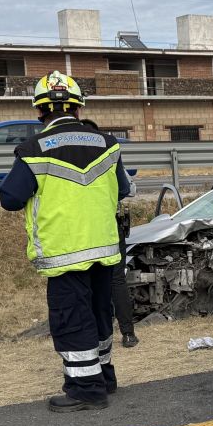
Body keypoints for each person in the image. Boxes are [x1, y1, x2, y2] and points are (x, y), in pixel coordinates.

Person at [0, 71, 131, 412]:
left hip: (64, 253)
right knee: (101, 314)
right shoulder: (107, 143)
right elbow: (125, 189)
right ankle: (104, 377)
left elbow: (11, 198)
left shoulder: (32, 150)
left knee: (72, 320)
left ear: (40, 111)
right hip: (104, 249)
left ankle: (86, 391)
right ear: (77, 107)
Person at [80, 119, 139, 348]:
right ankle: (128, 333)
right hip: (109, 226)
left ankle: (91, 333)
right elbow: (127, 189)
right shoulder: (107, 155)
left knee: (84, 280)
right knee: (116, 279)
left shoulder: (66, 157)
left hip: (78, 229)